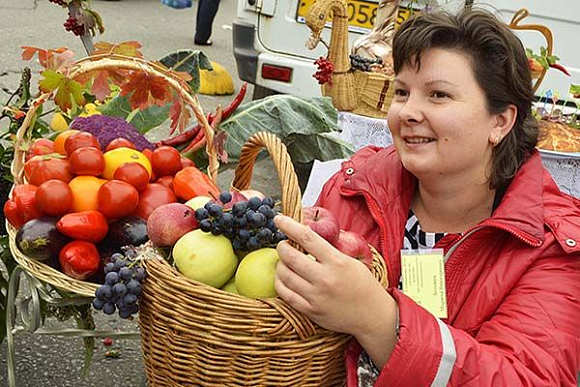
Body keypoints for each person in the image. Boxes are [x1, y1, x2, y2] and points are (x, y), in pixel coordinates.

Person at [273, 8, 580, 387]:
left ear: (500, 121)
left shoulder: (549, 245)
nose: (408, 112)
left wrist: (379, 320)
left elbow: (525, 378)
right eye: (402, 92)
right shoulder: (354, 188)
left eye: (438, 95)